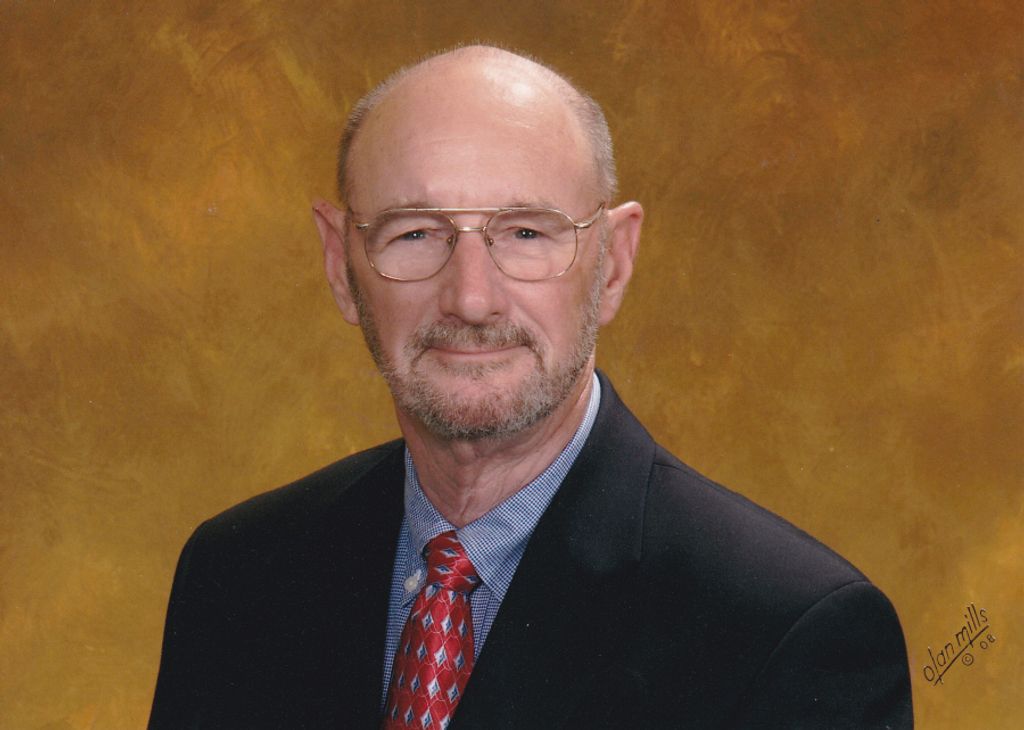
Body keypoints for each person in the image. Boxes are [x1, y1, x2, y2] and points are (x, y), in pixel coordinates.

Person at [149, 45, 913, 729]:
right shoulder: (239, 576)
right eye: (414, 232)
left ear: (613, 264)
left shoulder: (789, 630)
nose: (470, 299)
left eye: (525, 233)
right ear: (340, 265)